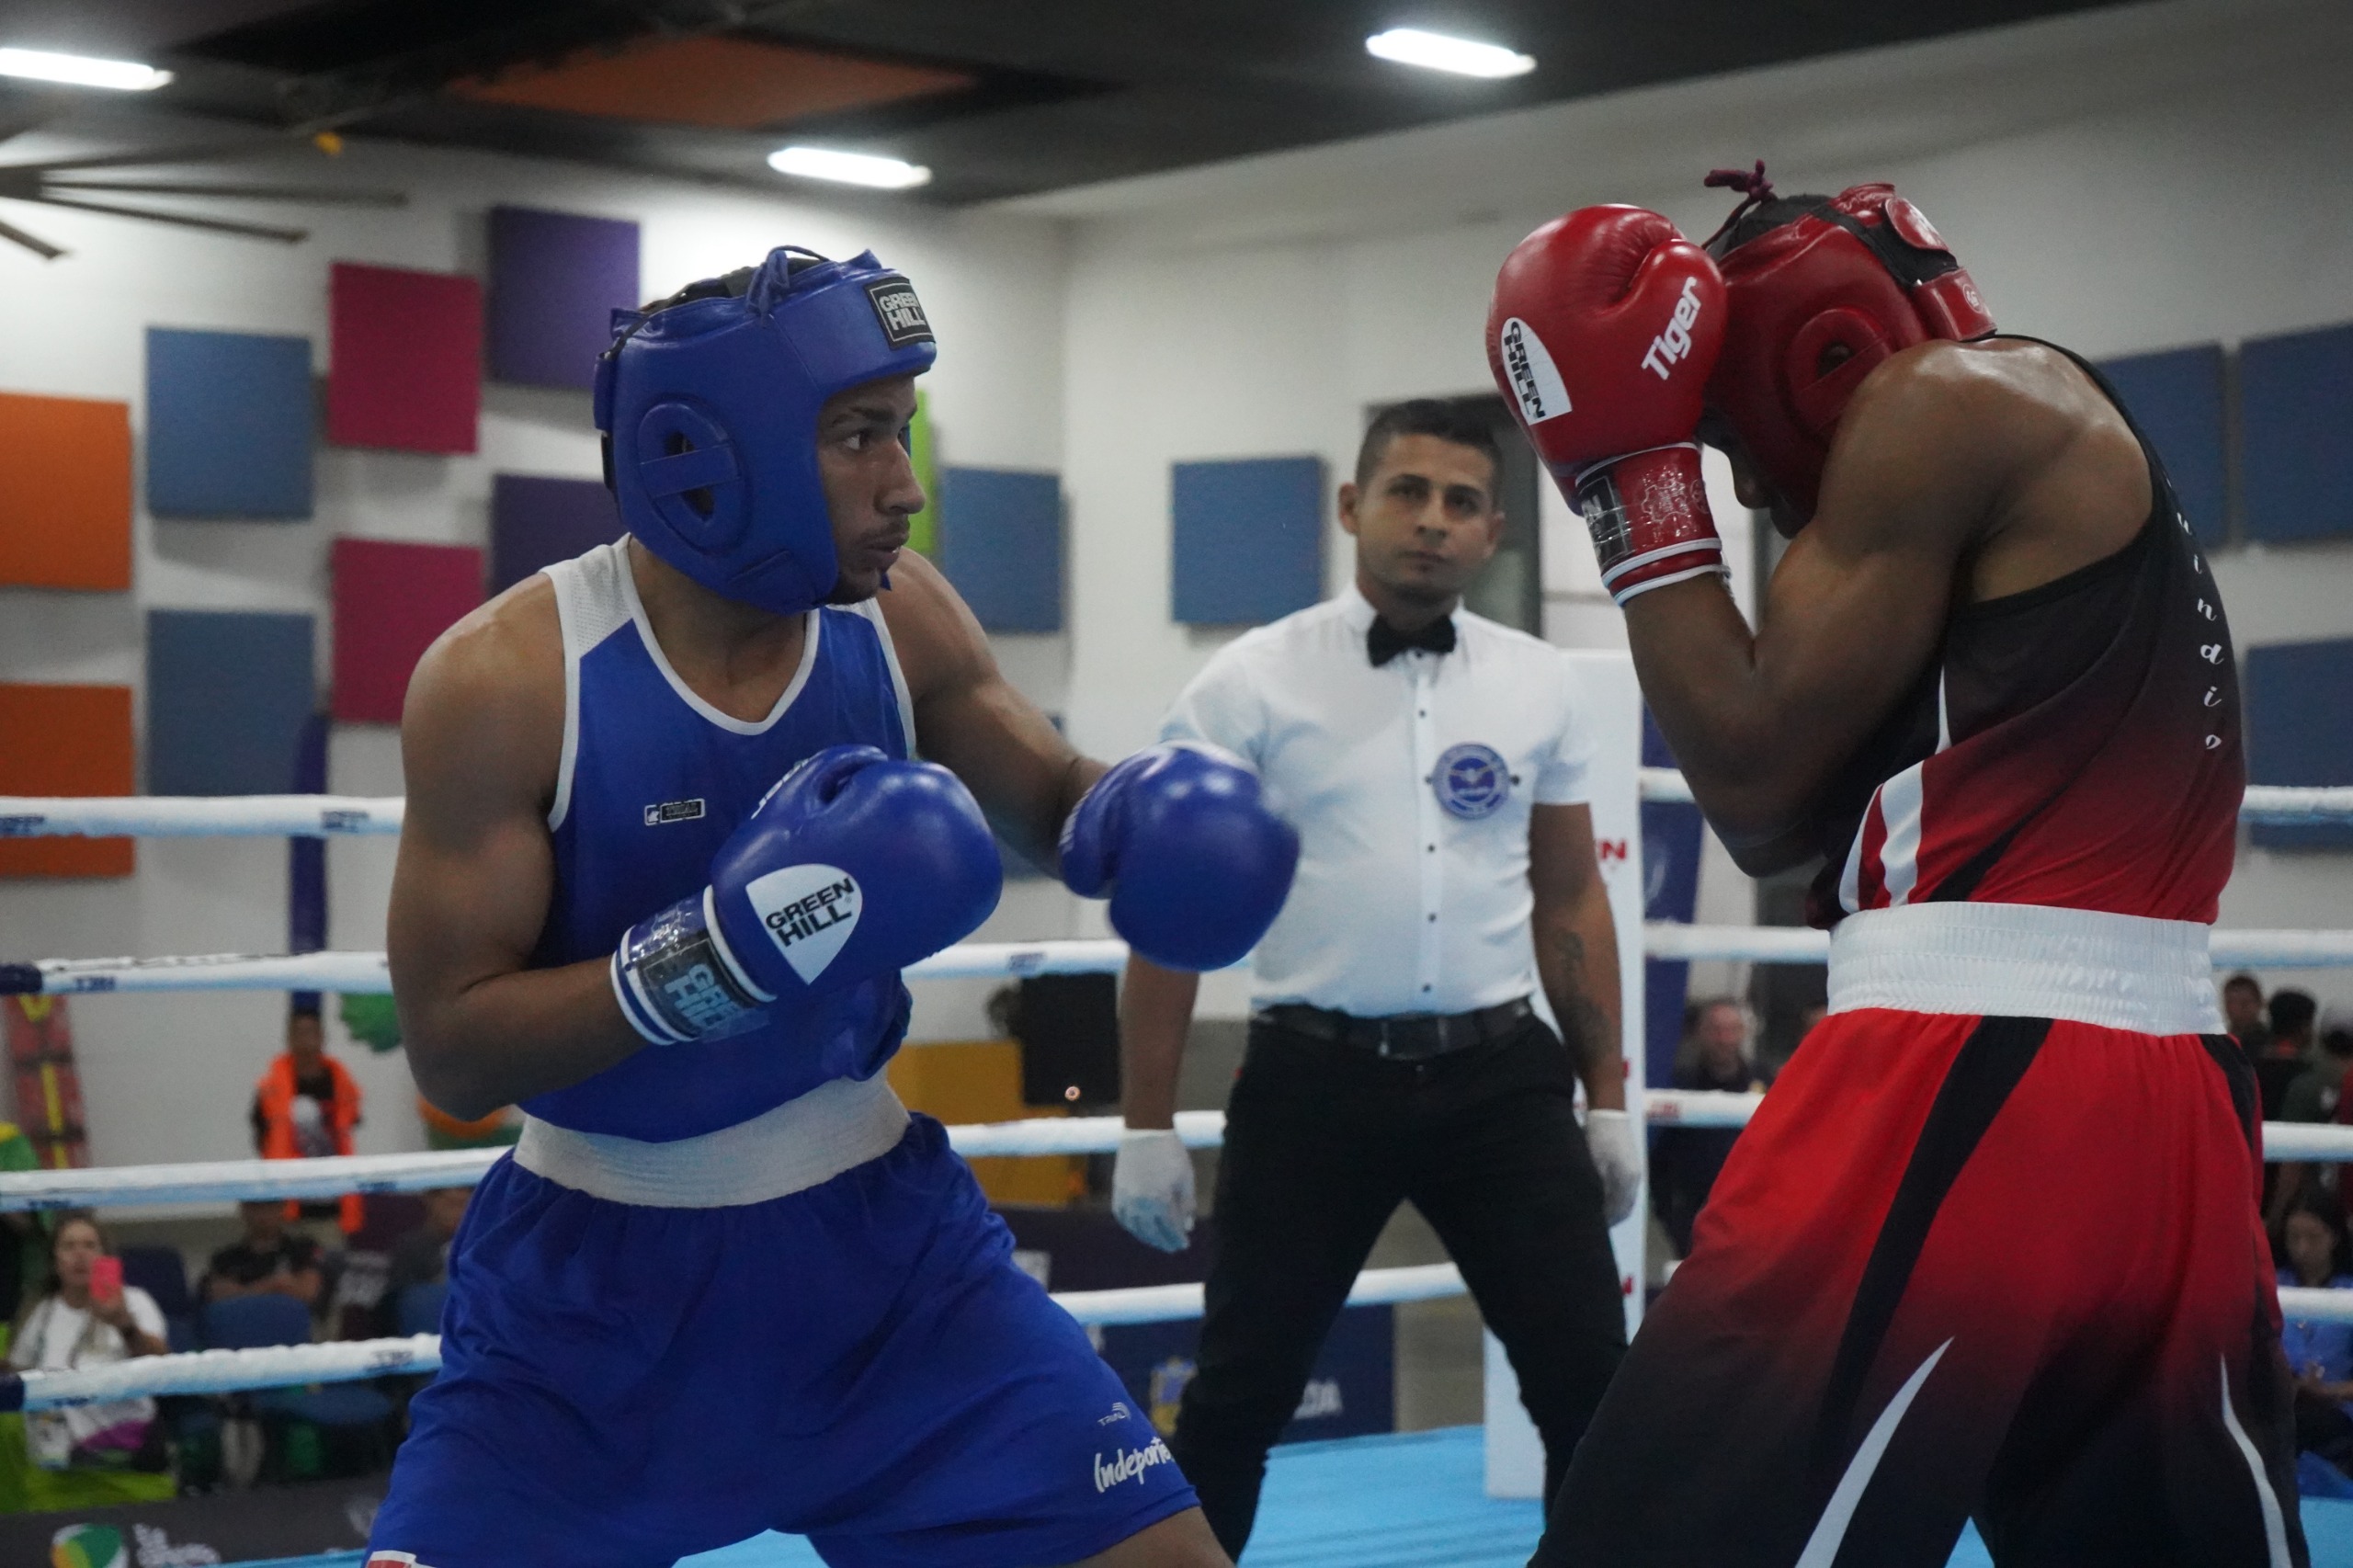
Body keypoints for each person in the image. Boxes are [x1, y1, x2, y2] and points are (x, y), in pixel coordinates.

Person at [367, 246, 1296, 1568]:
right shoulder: (510, 678)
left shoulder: (895, 615)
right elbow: (453, 1047)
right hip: (593, 1321)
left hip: (895, 1276)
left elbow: (1056, 803)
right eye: (860, 434)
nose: (905, 483)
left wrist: (1156, 823)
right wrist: (721, 957)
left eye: (900, 430)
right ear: (713, 450)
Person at [1491, 168, 2298, 1563]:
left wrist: (1633, 478)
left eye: (1735, 436)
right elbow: (1786, 819)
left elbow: (1740, 775)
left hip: (1974, 1069)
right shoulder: (2055, 452)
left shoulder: (1937, 408)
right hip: (2169, 1099)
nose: (1745, 481)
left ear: (1825, 355)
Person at [1111, 399, 1635, 1554]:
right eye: (1407, 492)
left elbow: (1569, 895)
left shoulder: (1539, 683)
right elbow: (1166, 902)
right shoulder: (1245, 683)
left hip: (1502, 1080)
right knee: (1236, 1398)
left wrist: (1607, 1095)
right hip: (1313, 1082)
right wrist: (1145, 1120)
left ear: (1492, 528)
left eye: (1459, 501)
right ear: (1353, 506)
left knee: (1595, 1392)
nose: (1431, 523)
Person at [8, 1212, 168, 1471]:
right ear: (55, 1261)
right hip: (56, 1459)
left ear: (105, 1256)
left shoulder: (135, 1301)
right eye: (69, 1247)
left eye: (89, 1246)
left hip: (126, 1456)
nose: (80, 1255)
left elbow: (160, 1365)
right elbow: (15, 1373)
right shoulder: (40, 1311)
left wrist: (123, 1323)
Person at [1650, 998, 1769, 1258]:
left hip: (1756, 1220)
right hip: (1696, 1222)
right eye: (1716, 1030)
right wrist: (1673, 1219)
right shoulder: (1679, 1087)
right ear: (1701, 1034)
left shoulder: (1768, 1083)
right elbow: (1658, 1162)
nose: (1724, 1039)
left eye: (1732, 1029)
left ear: (1744, 1032)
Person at [250, 994, 365, 1235]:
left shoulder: (341, 1083)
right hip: (287, 1202)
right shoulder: (271, 1087)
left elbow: (350, 1127)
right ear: (288, 1038)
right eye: (298, 1034)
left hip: (333, 1201)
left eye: (311, 1033)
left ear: (323, 1037)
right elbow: (261, 1136)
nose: (306, 1041)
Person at [2278, 1194, 2353, 1477]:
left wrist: (2328, 1392)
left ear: (2333, 1237)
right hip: (2279, 1400)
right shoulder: (2274, 1286)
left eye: (2312, 1237)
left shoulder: (2350, 1292)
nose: (2301, 1247)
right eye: (2293, 1237)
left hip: (2337, 1408)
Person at [200, 1199, 325, 1308]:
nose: (263, 1214)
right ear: (244, 1208)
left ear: (282, 1207)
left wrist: (242, 1292)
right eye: (255, 1207)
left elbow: (308, 1292)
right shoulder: (225, 1258)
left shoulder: (302, 1248)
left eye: (270, 1206)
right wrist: (275, 1285)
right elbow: (220, 1295)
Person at [383, 1187, 470, 1307]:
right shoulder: (410, 1247)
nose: (457, 1212)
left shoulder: (478, 1247)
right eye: (450, 1204)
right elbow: (398, 1300)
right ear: (430, 1200)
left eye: (462, 1205)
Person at [2225, 972, 2273, 1056]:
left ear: (2259, 1003)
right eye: (2231, 1003)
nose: (2236, 1009)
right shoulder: (2223, 1043)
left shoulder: (2269, 1044)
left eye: (2245, 1004)